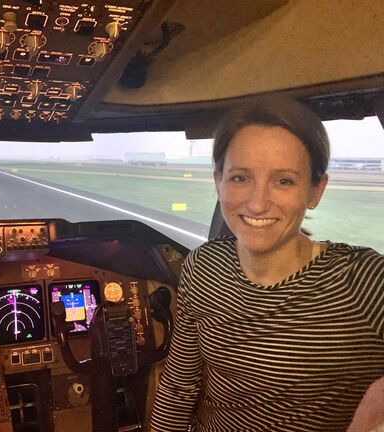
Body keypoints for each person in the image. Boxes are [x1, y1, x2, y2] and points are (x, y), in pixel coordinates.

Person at [150, 96, 384, 432]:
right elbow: (179, 384)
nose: (258, 203)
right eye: (241, 178)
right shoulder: (203, 267)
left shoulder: (362, 280)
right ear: (219, 182)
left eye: (284, 180)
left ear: (316, 190)